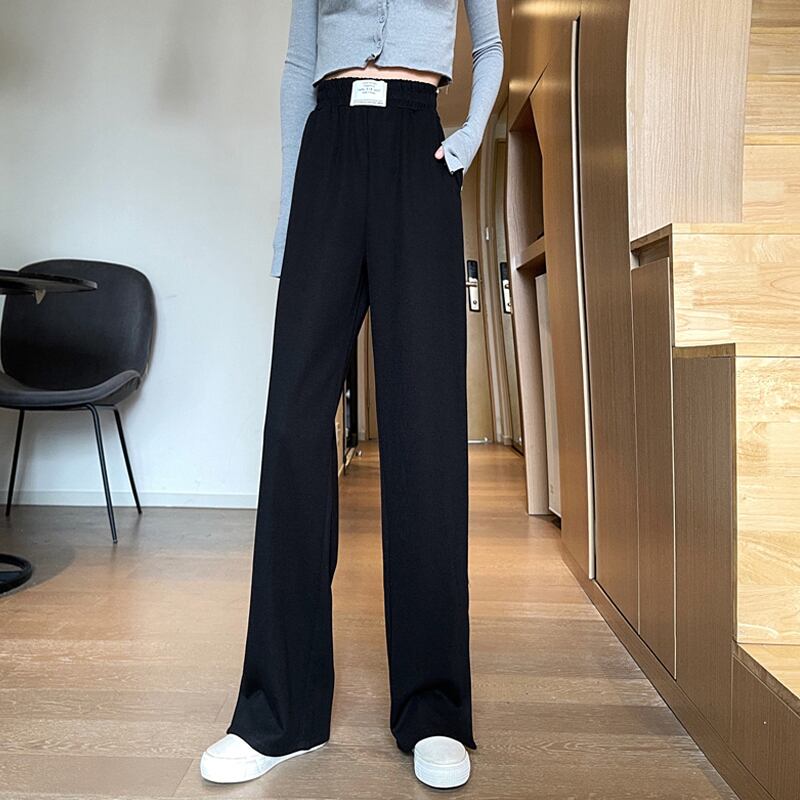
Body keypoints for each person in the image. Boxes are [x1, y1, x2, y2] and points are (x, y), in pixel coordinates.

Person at [200, 0, 503, 789]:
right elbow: (298, 70)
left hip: (417, 146)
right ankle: (280, 715)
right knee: (293, 425)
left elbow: (492, 46)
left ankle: (434, 710)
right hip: (328, 147)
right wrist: (287, 215)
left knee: (425, 427)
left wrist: (467, 138)